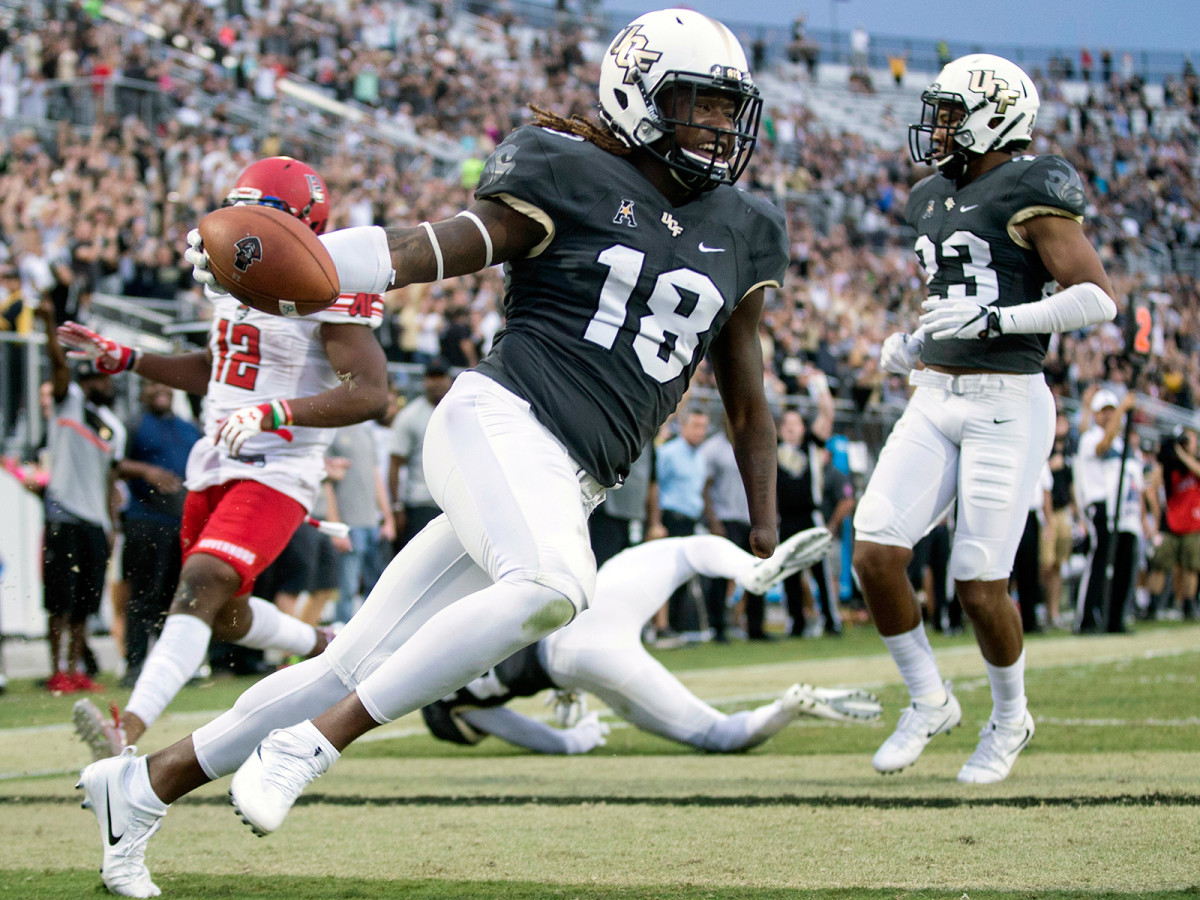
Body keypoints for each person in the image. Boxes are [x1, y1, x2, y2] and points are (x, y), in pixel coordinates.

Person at [77, 10, 785, 895]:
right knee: (557, 587)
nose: (719, 128)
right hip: (501, 421)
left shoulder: (744, 226)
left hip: (568, 477)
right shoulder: (568, 172)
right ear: (640, 95)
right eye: (699, 105)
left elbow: (749, 400)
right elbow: (425, 248)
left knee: (347, 662)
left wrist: (764, 523)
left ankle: (140, 789)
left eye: (728, 110)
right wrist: (289, 256)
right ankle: (313, 745)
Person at [65, 156, 390, 761]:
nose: (244, 232)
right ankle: (327, 643)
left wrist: (275, 414)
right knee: (224, 612)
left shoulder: (328, 284)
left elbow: (371, 392)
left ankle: (127, 729)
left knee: (201, 582)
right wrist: (129, 357)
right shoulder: (236, 283)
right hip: (214, 460)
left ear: (300, 226)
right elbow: (220, 370)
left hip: (277, 468)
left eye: (260, 217)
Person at [856, 54, 1117, 784]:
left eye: (948, 112)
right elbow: (955, 297)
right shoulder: (930, 196)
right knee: (876, 551)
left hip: (1007, 399)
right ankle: (928, 698)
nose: (935, 127)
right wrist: (915, 342)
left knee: (978, 583)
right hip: (935, 393)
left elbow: (1097, 297)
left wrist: (997, 317)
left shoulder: (1033, 184)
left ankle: (1010, 718)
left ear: (994, 115)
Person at [421, 532, 880, 754]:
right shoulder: (437, 629)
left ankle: (787, 707)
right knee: (688, 551)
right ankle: (750, 569)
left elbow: (529, 734)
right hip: (591, 593)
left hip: (574, 655)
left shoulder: (449, 699)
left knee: (718, 735)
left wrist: (572, 742)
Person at [36, 301, 125, 694]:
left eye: (106, 381)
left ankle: (74, 670)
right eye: (98, 381)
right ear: (87, 381)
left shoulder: (114, 428)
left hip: (95, 523)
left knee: (85, 604)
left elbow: (110, 481)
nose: (103, 386)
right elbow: (57, 367)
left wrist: (111, 525)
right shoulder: (67, 401)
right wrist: (48, 324)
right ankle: (56, 668)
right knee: (59, 601)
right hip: (63, 512)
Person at [116, 381, 201, 687]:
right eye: (152, 385)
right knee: (143, 595)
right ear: (142, 390)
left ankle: (173, 667)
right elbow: (113, 464)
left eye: (164, 384)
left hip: (183, 523)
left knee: (177, 597)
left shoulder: (188, 427)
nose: (159, 391)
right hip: (145, 520)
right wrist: (145, 471)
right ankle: (136, 666)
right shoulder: (133, 424)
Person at [1074, 389, 1136, 632]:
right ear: (1097, 415)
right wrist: (1122, 409)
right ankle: (1085, 617)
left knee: (1119, 564)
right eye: (1106, 411)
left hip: (1117, 510)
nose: (1110, 416)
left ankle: (1113, 618)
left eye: (1113, 410)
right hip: (1098, 506)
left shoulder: (1120, 442)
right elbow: (1103, 444)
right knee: (1097, 562)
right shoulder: (1090, 438)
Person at [652, 407, 712, 638]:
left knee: (684, 576)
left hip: (690, 521)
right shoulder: (668, 452)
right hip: (671, 520)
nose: (700, 432)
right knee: (668, 575)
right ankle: (662, 626)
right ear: (684, 427)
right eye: (696, 426)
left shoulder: (700, 457)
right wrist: (656, 522)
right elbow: (655, 487)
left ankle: (677, 627)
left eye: (704, 427)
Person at [388, 356, 453, 553]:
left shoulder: (458, 410)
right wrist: (397, 506)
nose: (436, 382)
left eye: (440, 376)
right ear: (424, 381)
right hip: (421, 502)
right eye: (431, 377)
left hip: (453, 503)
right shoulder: (410, 415)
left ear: (449, 379)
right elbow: (395, 463)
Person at [1149, 427, 1200, 620]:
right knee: (1159, 564)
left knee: (1191, 567)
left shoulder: (1194, 461)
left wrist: (1182, 454)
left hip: (1193, 523)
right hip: (1170, 521)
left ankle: (1188, 605)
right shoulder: (1170, 463)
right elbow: (1153, 481)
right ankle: (1153, 607)